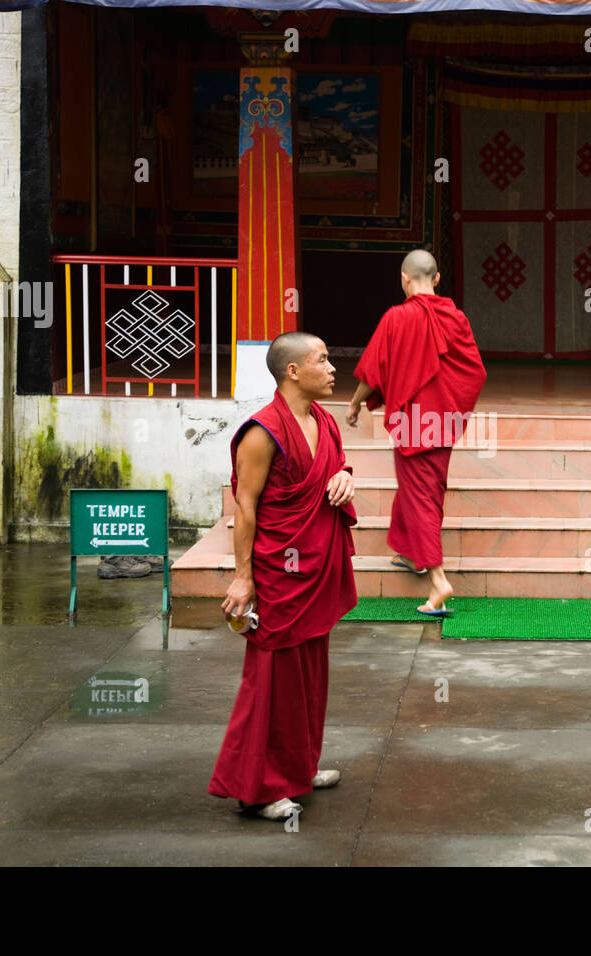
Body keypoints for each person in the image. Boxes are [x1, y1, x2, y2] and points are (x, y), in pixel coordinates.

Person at [209, 332, 358, 822]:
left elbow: (334, 469)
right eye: (322, 359)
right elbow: (245, 506)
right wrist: (242, 578)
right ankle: (259, 787)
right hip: (279, 570)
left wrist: (345, 477)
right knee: (270, 680)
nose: (333, 367)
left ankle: (299, 766)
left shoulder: (323, 421)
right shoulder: (262, 430)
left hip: (314, 567)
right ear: (293, 371)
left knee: (310, 672)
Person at [347, 249, 487, 616]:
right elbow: (475, 371)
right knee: (423, 489)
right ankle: (409, 550)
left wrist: (353, 403)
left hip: (414, 423)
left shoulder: (397, 317)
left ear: (404, 279)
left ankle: (438, 580)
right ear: (437, 279)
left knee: (420, 495)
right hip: (442, 421)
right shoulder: (456, 317)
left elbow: (371, 371)